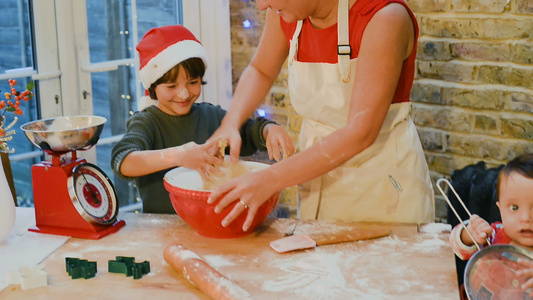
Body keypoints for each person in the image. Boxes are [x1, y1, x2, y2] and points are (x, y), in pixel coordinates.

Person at [206, 0, 435, 231]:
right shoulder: (284, 12)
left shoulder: (384, 17)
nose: (262, 6)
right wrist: (231, 123)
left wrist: (270, 179)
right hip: (317, 179)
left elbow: (360, 132)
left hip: (383, 190)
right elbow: (261, 70)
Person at [111, 25, 294, 214]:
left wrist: (269, 130)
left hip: (211, 220)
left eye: (193, 83)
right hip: (162, 229)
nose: (183, 94)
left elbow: (248, 131)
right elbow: (122, 161)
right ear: (153, 86)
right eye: (172, 86)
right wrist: (179, 155)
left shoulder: (211, 116)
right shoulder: (147, 122)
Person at [449, 153, 533, 297]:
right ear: (500, 209)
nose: (526, 218)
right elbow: (457, 247)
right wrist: (468, 235)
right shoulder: (493, 235)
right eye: (514, 208)